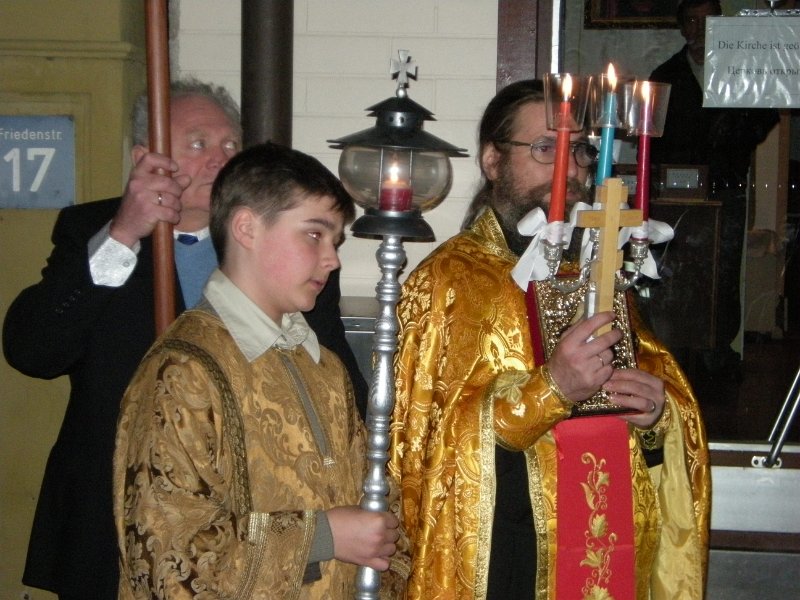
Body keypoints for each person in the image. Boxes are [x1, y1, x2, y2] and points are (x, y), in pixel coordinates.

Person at [2, 78, 367, 600]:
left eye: (230, 144)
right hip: (110, 518)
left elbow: (337, 382)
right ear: (145, 157)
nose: (220, 158)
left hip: (254, 524)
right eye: (198, 143)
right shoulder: (97, 231)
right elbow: (34, 350)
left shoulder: (277, 253)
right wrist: (124, 234)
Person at [388, 79, 710, 599]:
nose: (571, 167)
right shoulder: (446, 280)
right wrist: (551, 390)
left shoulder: (599, 271)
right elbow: (427, 441)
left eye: (580, 150)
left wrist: (656, 417)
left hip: (602, 546)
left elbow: (652, 390)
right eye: (546, 148)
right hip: (502, 555)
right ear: (493, 160)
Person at [114, 141, 406, 598]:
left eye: (335, 241)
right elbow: (168, 559)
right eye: (315, 234)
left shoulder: (325, 366)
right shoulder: (182, 372)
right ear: (247, 228)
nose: (332, 259)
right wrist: (322, 536)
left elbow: (372, 502)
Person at [648, 0, 779, 378]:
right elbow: (650, 133)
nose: (700, 29)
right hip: (676, 194)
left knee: (723, 272)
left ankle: (717, 352)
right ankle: (674, 351)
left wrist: (733, 137)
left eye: (708, 20)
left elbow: (767, 114)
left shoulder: (742, 69)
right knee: (674, 271)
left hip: (726, 188)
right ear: (682, 27)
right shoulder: (665, 75)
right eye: (692, 20)